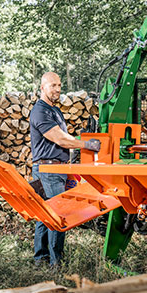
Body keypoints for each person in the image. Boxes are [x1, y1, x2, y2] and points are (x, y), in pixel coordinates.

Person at [30, 71, 101, 267]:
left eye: (59, 85)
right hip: (49, 170)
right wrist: (87, 145)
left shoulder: (55, 110)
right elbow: (59, 138)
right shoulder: (40, 111)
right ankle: (56, 263)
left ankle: (41, 259)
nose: (58, 89)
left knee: (45, 214)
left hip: (55, 168)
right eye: (53, 85)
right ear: (42, 87)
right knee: (59, 215)